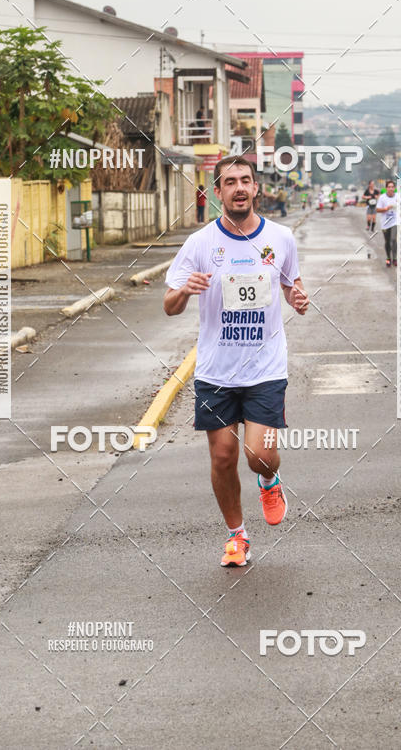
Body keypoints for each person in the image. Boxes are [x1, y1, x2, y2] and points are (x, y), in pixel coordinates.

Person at [163, 155, 309, 567]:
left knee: (258, 454)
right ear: (217, 191)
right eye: (231, 182)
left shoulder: (280, 238)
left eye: (246, 180)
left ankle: (269, 480)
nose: (240, 188)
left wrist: (297, 297)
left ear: (256, 188)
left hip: (265, 367)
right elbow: (170, 306)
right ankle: (237, 535)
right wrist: (184, 291)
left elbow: (291, 284)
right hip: (216, 370)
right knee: (223, 457)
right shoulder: (200, 244)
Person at [376, 180, 398, 267]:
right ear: (386, 188)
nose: (391, 188)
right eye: (389, 187)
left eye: (392, 187)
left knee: (393, 239)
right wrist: (386, 209)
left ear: (394, 188)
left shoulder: (398, 197)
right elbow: (377, 210)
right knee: (387, 241)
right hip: (385, 223)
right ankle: (388, 258)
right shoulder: (382, 198)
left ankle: (395, 258)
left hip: (395, 222)